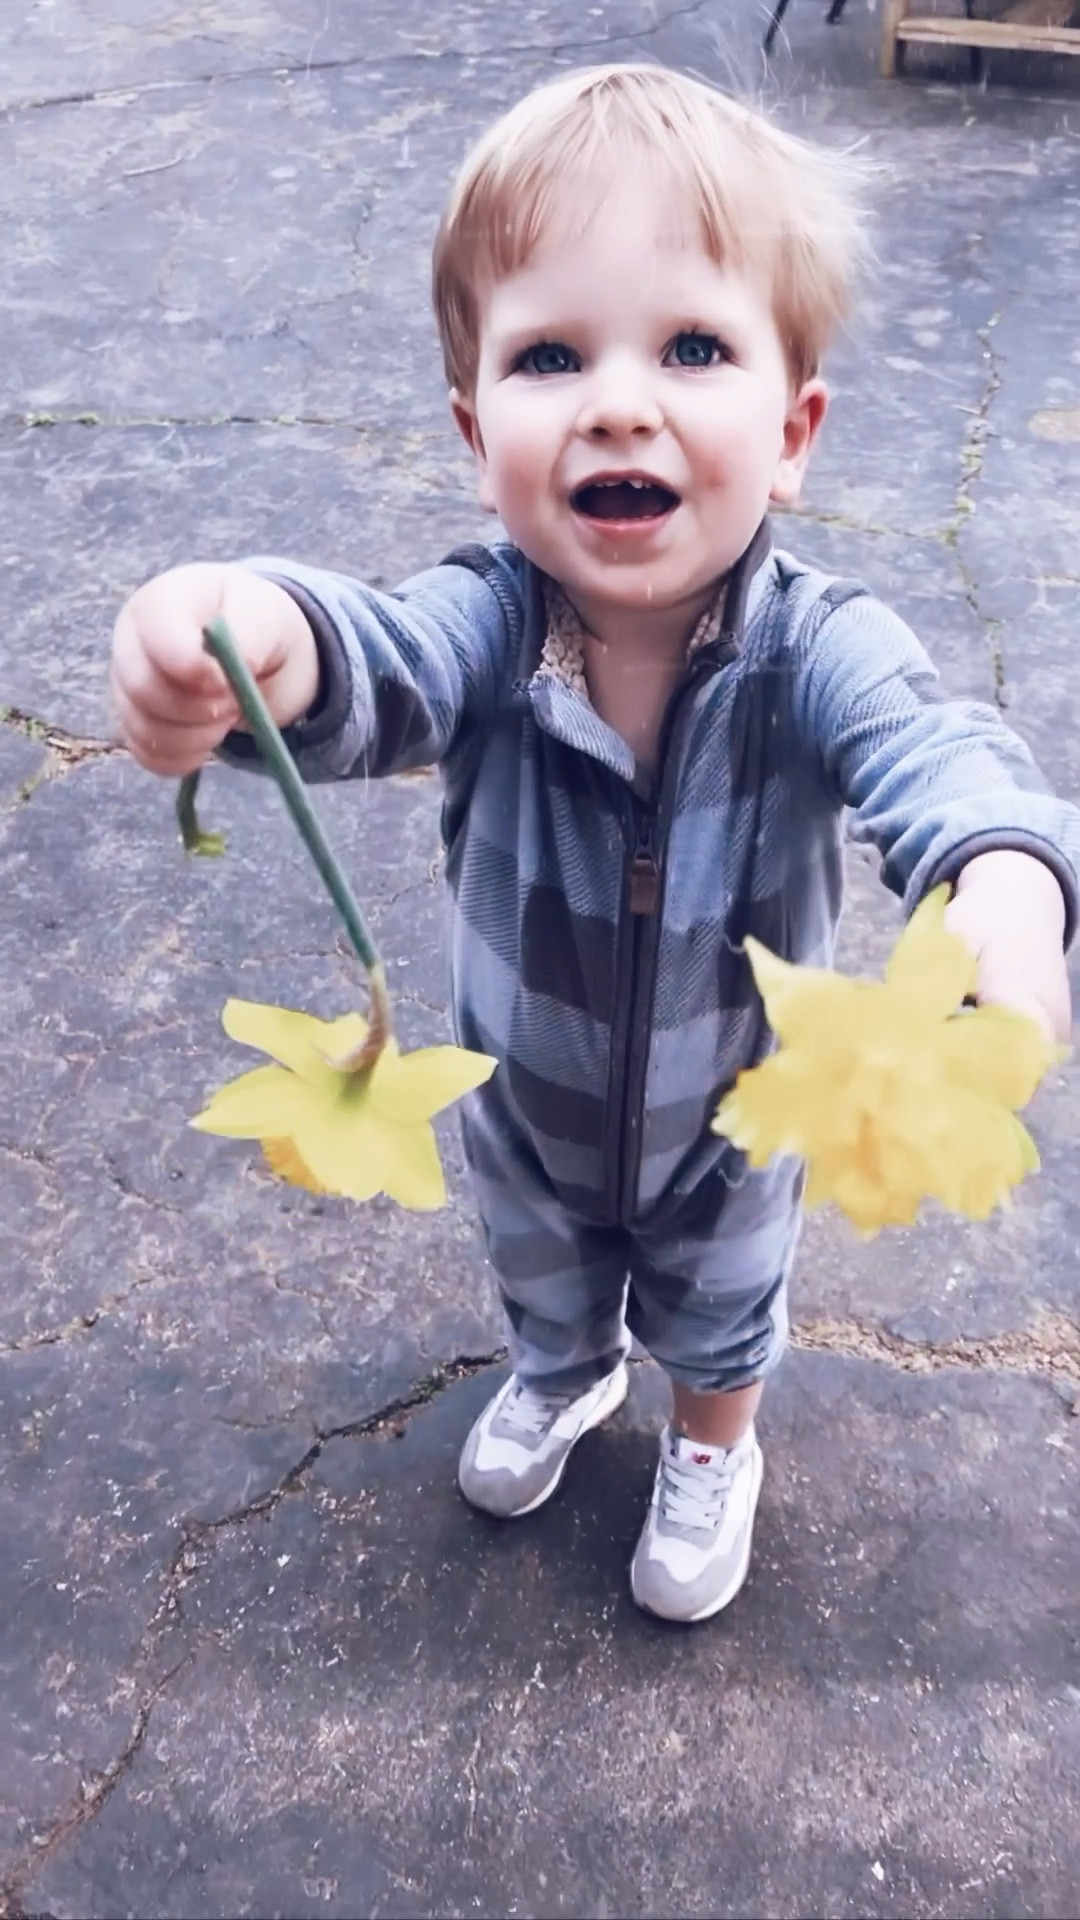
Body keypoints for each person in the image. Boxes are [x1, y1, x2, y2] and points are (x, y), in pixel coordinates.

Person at [110, 63, 1076, 1624]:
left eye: (694, 346)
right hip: (526, 1095)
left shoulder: (819, 648)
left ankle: (711, 1446)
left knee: (723, 1309)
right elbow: (376, 660)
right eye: (553, 354)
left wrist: (1006, 888)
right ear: (474, 423)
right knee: (543, 1280)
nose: (621, 399)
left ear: (792, 430)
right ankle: (562, 1378)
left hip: (736, 1112)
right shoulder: (490, 623)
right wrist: (250, 634)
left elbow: (943, 756)